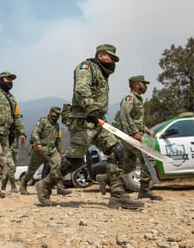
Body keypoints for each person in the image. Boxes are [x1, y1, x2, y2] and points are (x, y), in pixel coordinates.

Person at [36, 44, 144, 209]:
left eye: (115, 59)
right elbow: (81, 89)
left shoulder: (102, 73)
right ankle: (45, 185)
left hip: (98, 121)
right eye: (111, 57)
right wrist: (90, 107)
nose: (113, 61)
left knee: (117, 151)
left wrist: (97, 112)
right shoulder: (86, 67)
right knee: (73, 161)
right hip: (83, 122)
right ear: (101, 56)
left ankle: (117, 195)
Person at [118, 75, 162, 200]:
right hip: (130, 136)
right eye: (143, 83)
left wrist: (147, 130)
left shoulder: (137, 99)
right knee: (148, 160)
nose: (145, 86)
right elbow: (124, 116)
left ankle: (106, 179)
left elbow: (136, 120)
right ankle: (144, 190)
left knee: (130, 165)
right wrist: (134, 133)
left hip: (132, 135)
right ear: (136, 84)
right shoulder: (130, 98)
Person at [20, 106, 70, 196]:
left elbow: (58, 140)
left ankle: (60, 187)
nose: (56, 116)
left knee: (58, 166)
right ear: (51, 112)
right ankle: (23, 185)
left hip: (52, 150)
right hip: (40, 150)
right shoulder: (43, 121)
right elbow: (35, 133)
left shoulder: (57, 126)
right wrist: (38, 144)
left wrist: (61, 152)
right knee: (31, 170)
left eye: (58, 114)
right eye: (55, 113)